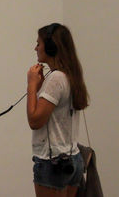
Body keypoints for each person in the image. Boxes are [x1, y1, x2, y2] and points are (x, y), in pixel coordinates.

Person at [27, 23, 89, 197]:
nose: (35, 48)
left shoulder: (56, 78)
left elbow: (35, 120)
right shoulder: (69, 74)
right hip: (72, 160)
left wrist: (31, 86)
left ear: (51, 47)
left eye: (38, 43)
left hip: (52, 163)